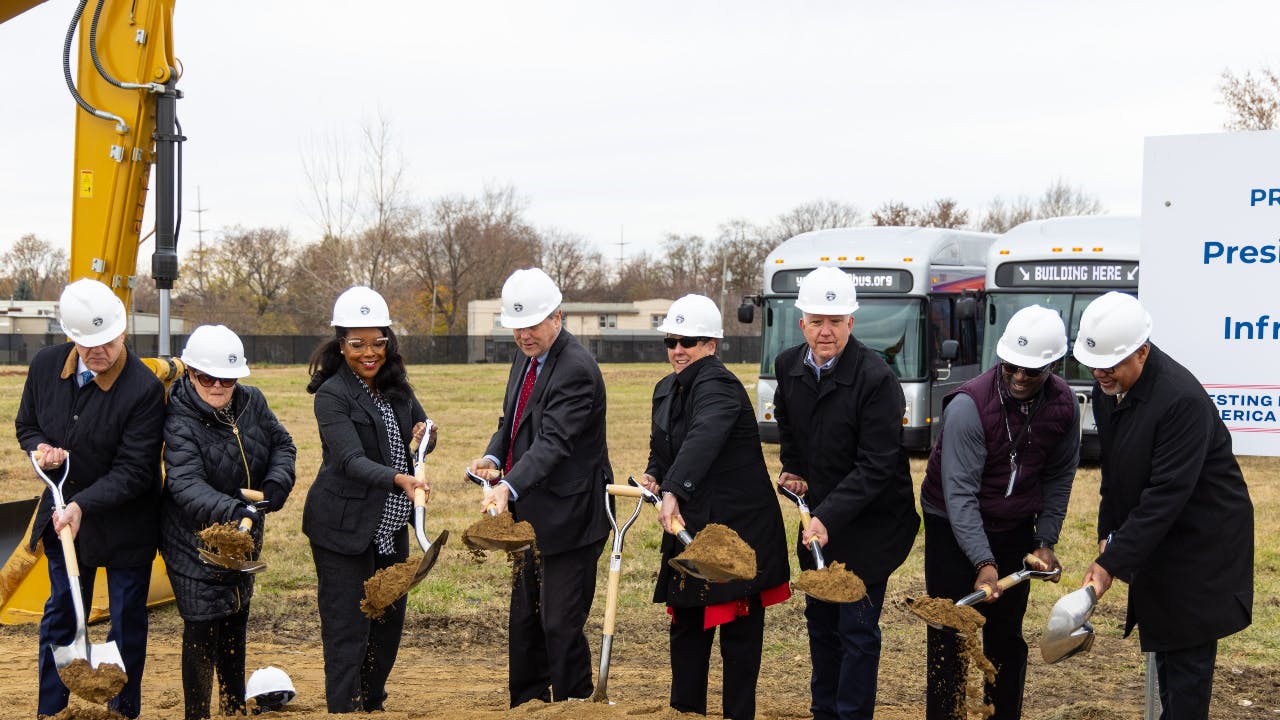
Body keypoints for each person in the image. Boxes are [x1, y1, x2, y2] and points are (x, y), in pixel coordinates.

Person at [1075, 292, 1253, 720]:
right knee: (1167, 649)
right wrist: (1108, 534)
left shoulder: (1180, 400)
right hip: (1161, 539)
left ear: (1142, 351)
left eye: (1110, 365)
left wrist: (1112, 561)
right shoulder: (1108, 389)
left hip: (1202, 546)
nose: (1099, 373)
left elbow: (1167, 493)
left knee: (1186, 661)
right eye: (1093, 365)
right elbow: (1115, 473)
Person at [772, 267, 919, 720]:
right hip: (821, 521)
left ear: (851, 322)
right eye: (817, 321)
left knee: (856, 629)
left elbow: (876, 466)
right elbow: (788, 425)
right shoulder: (788, 367)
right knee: (821, 624)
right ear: (802, 323)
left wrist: (826, 517)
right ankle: (825, 712)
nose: (826, 331)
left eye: (835, 321)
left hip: (874, 524)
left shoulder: (876, 379)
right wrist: (795, 468)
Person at [15, 278, 166, 719]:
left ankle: (123, 711)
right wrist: (41, 449)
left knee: (126, 621)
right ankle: (52, 711)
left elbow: (135, 470)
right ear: (71, 336)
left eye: (108, 342)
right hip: (65, 519)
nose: (99, 351)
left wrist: (83, 505)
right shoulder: (45, 366)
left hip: (126, 523)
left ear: (123, 330)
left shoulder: (143, 388)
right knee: (62, 614)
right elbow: (26, 425)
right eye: (87, 344)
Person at [919, 304, 1078, 720]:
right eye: (1011, 367)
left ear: (1053, 366)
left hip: (1013, 523)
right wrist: (983, 562)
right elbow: (960, 494)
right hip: (950, 522)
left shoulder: (1064, 405)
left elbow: (1059, 477)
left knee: (1005, 636)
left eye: (1033, 371)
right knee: (950, 632)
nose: (1020, 377)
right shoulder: (968, 407)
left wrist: (1044, 541)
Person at [639, 294, 790, 720]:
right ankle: (686, 711)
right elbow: (665, 445)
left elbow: (703, 437)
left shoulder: (719, 385)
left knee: (739, 635)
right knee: (687, 624)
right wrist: (655, 475)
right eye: (671, 342)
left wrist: (674, 489)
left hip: (737, 529)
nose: (678, 350)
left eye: (688, 341)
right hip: (693, 527)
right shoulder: (666, 388)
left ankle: (737, 715)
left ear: (711, 344)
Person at [466, 267, 611, 707]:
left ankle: (573, 705)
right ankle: (527, 705)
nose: (524, 335)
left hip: (572, 517)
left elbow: (554, 442)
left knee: (559, 623)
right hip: (532, 512)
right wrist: (494, 458)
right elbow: (512, 422)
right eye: (517, 327)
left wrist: (508, 486)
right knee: (526, 620)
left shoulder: (576, 369)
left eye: (532, 325)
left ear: (557, 317)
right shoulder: (526, 358)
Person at [301, 286, 433, 713]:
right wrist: (399, 479)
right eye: (357, 344)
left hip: (390, 529)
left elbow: (422, 431)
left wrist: (425, 436)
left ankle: (372, 704)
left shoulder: (397, 386)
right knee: (348, 628)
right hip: (343, 530)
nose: (369, 353)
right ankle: (345, 708)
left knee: (387, 626)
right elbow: (349, 460)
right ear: (341, 345)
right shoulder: (332, 394)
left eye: (378, 342)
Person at [159, 325, 297, 720]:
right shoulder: (179, 419)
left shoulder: (252, 401)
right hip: (193, 541)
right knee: (203, 627)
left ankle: (233, 708)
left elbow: (283, 445)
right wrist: (236, 510)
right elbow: (186, 485)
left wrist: (277, 482)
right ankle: (197, 715)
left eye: (228, 378)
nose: (219, 386)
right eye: (208, 377)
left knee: (235, 617)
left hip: (243, 537)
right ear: (191, 373)